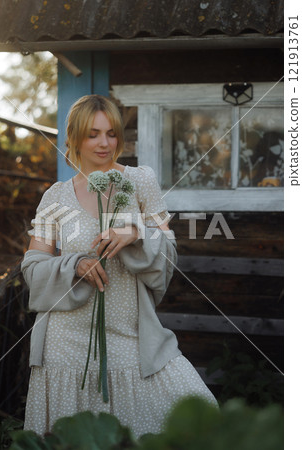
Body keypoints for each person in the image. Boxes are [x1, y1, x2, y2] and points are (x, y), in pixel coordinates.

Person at [21, 94, 218, 438]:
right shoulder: (55, 197)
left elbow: (168, 251)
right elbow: (33, 265)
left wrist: (137, 232)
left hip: (132, 334)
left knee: (199, 411)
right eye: (93, 134)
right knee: (77, 441)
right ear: (73, 138)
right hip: (66, 341)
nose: (104, 143)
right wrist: (74, 264)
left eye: (112, 133)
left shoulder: (140, 181)